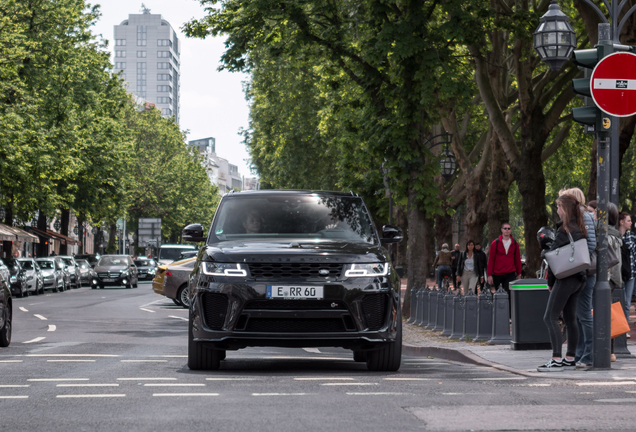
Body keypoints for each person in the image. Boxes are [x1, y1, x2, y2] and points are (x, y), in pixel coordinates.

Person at [538, 194, 588, 372]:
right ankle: (570, 357)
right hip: (579, 277)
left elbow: (553, 258)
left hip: (566, 278)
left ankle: (556, 358)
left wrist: (550, 281)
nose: (557, 210)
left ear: (565, 209)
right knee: (570, 318)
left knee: (549, 317)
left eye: (559, 207)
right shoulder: (579, 227)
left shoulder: (564, 230)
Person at [559, 188, 596, 370]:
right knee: (580, 316)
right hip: (582, 270)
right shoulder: (580, 215)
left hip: (585, 271)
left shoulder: (584, 216)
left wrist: (580, 261)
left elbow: (590, 244)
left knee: (583, 314)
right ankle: (581, 352)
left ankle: (589, 354)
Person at [486, 222, 523, 300]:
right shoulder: (495, 243)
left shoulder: (515, 244)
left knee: (509, 295)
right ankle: (500, 311)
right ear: (502, 230)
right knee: (499, 295)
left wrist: (519, 274)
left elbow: (517, 260)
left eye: (508, 228)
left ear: (510, 230)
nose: (507, 230)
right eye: (505, 228)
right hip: (497, 274)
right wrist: (489, 275)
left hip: (510, 273)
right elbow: (491, 260)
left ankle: (509, 312)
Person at [607, 203, 623, 362]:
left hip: (606, 280)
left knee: (605, 315)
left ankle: (609, 351)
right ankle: (610, 351)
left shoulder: (608, 236)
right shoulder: (616, 235)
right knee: (608, 314)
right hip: (611, 281)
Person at [619, 212, 635, 337]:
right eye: (628, 220)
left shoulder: (632, 237)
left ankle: (624, 329)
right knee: (617, 301)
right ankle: (617, 327)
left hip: (631, 272)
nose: (631, 223)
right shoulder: (615, 236)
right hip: (618, 273)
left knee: (627, 302)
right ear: (622, 222)